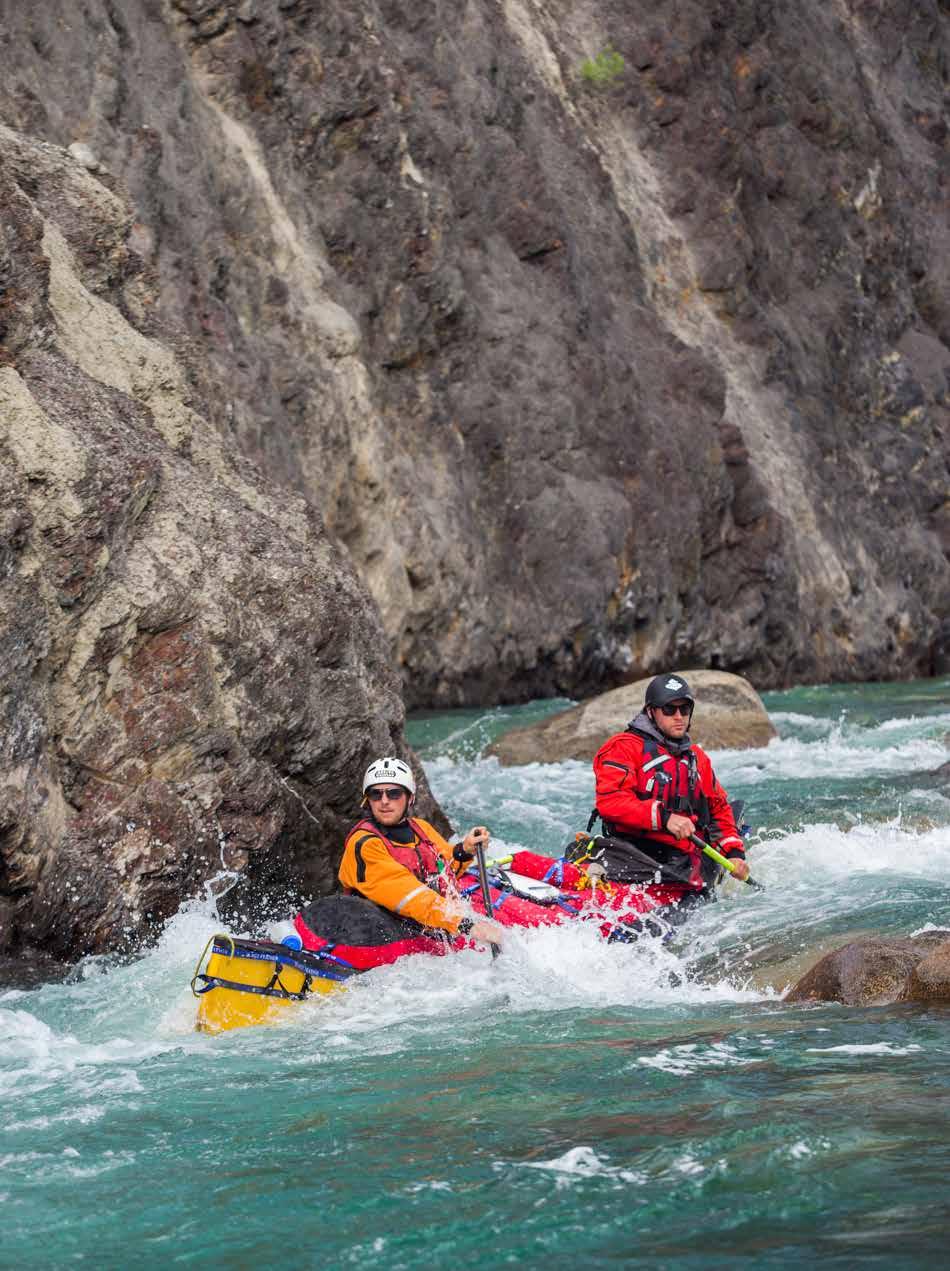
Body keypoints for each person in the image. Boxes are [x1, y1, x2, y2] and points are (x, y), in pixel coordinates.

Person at [592, 673, 749, 895]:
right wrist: (664, 819)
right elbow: (611, 802)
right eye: (669, 709)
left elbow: (719, 809)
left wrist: (735, 854)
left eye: (684, 710)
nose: (678, 717)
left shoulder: (696, 758)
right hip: (634, 854)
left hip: (682, 860)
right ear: (651, 712)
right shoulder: (622, 748)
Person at [338, 757, 504, 945]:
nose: (384, 801)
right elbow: (409, 896)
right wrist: (465, 924)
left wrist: (465, 850)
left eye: (394, 793)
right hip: (380, 935)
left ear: (410, 798)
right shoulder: (364, 844)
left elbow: (445, 872)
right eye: (376, 794)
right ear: (368, 800)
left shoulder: (420, 828)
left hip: (424, 924)